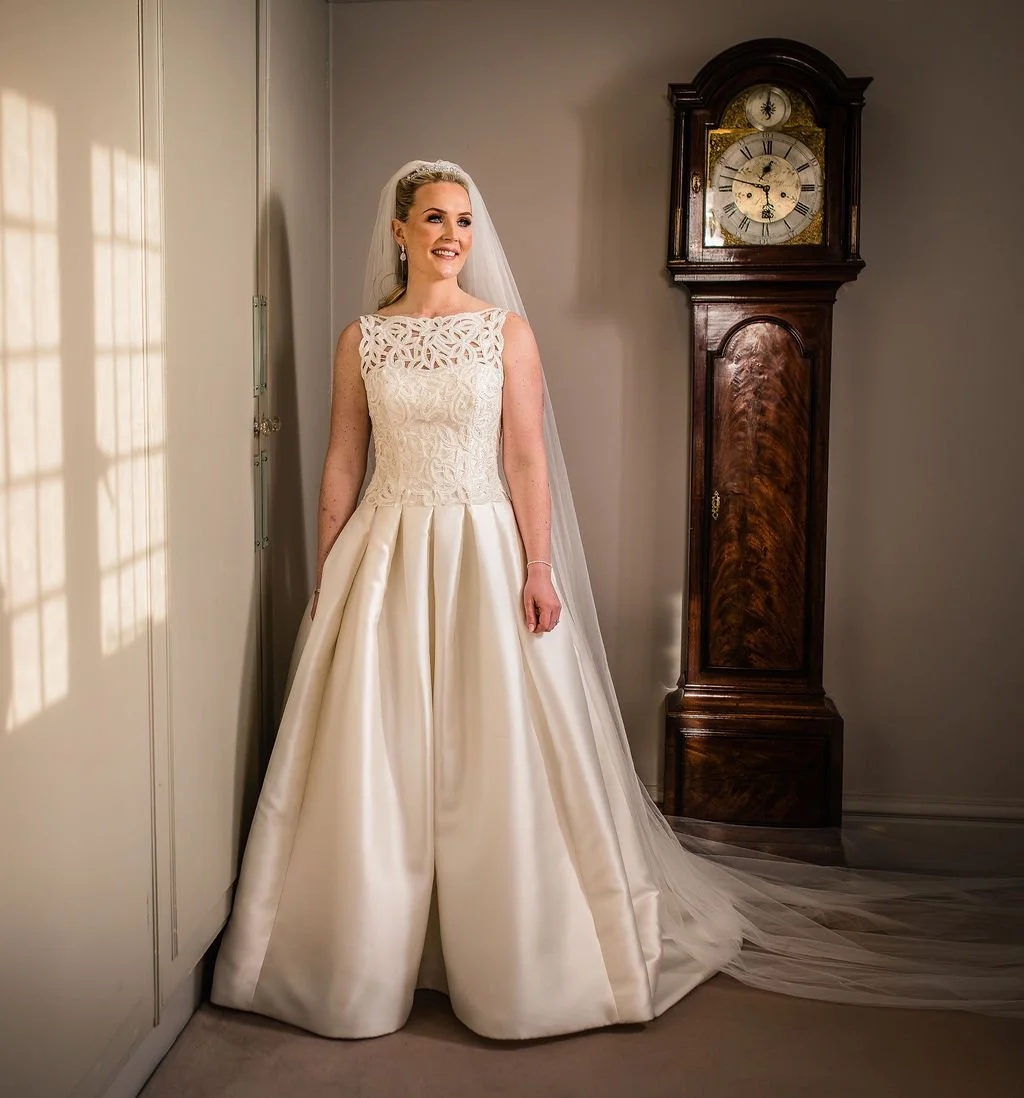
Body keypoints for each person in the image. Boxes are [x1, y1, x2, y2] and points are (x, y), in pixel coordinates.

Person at [210, 159, 1023, 1041]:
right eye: (435, 220)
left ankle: (514, 956)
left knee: (497, 753)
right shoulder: (361, 338)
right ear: (399, 230)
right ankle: (368, 952)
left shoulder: (504, 334)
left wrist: (538, 566)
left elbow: (525, 460)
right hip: (388, 548)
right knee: (379, 749)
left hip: (484, 547)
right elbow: (341, 461)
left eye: (466, 222)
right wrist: (329, 570)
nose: (453, 237)